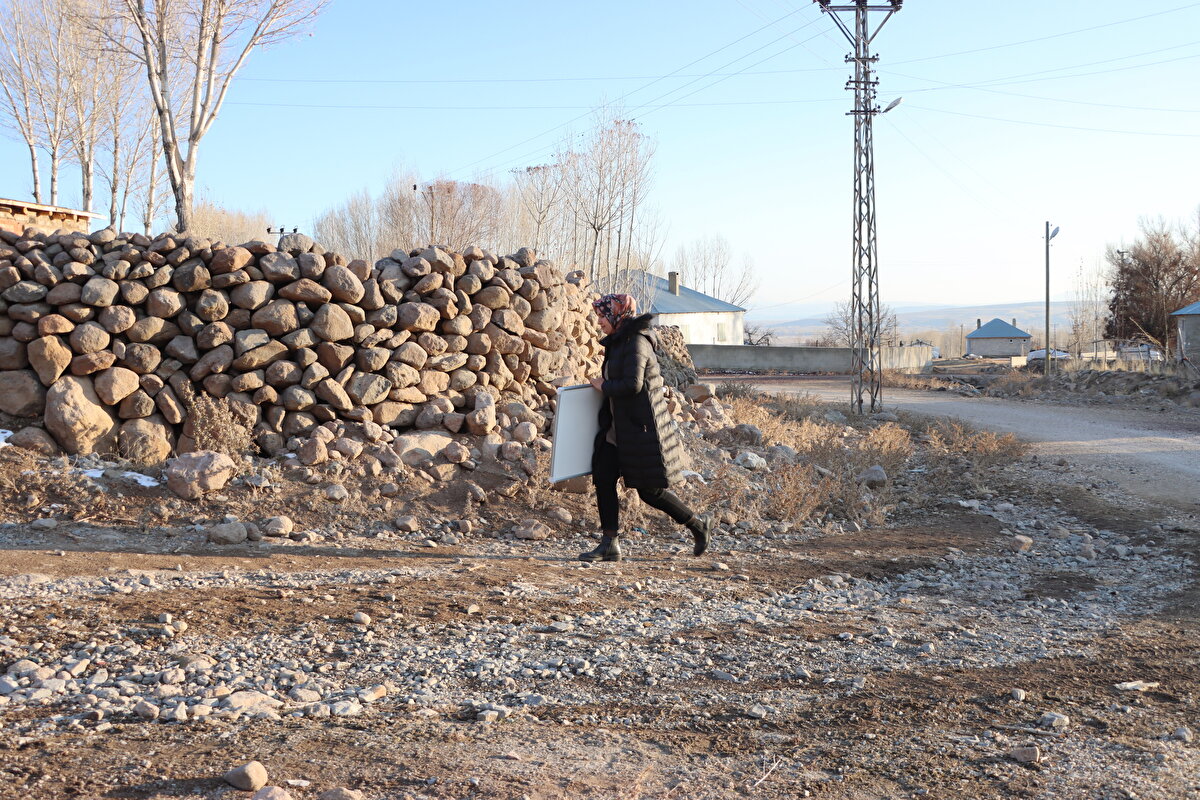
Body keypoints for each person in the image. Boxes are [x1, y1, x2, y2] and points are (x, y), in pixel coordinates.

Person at [579, 293, 713, 562]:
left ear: (617, 315)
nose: (599, 322)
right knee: (603, 477)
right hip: (618, 427)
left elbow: (633, 385)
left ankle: (698, 525)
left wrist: (603, 385)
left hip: (640, 429)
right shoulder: (619, 342)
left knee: (649, 492)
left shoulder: (636, 342)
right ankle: (609, 544)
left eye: (602, 316)